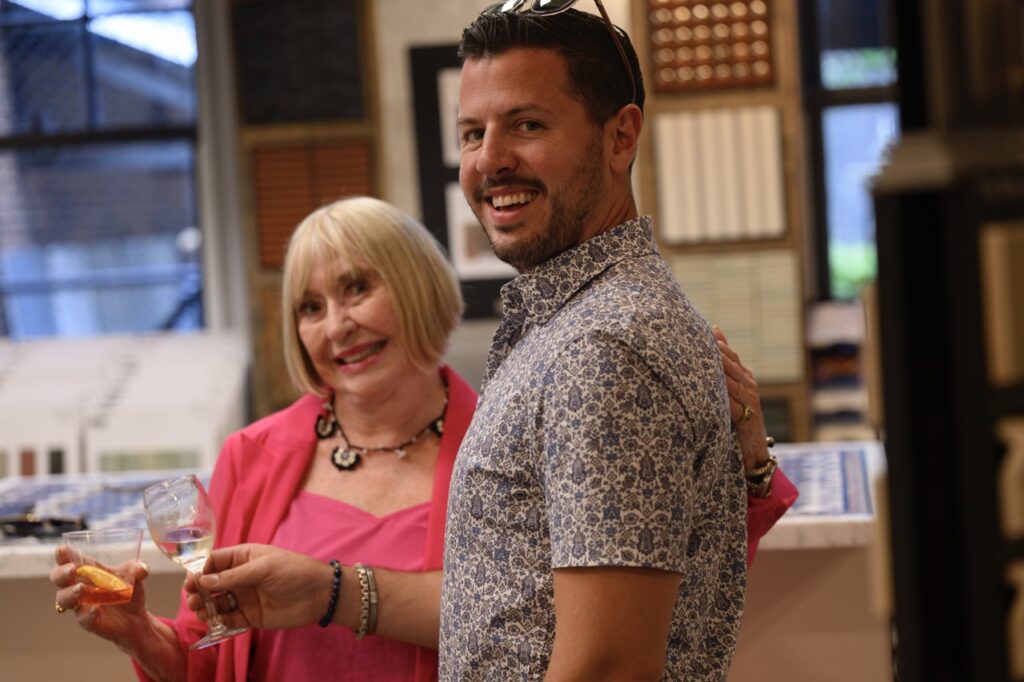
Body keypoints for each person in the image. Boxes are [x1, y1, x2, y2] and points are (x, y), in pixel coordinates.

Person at [180, 4, 797, 682]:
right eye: (473, 133)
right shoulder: (568, 328)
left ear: (620, 136)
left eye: (527, 125)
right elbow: (517, 607)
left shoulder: (602, 347)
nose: (490, 160)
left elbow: (609, 665)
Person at [51, 194, 792, 682]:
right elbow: (209, 657)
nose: (337, 326)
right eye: (309, 307)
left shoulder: (508, 439)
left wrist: (747, 450)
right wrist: (142, 637)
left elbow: (643, 581)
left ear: (417, 288)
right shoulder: (252, 456)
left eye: (357, 288)